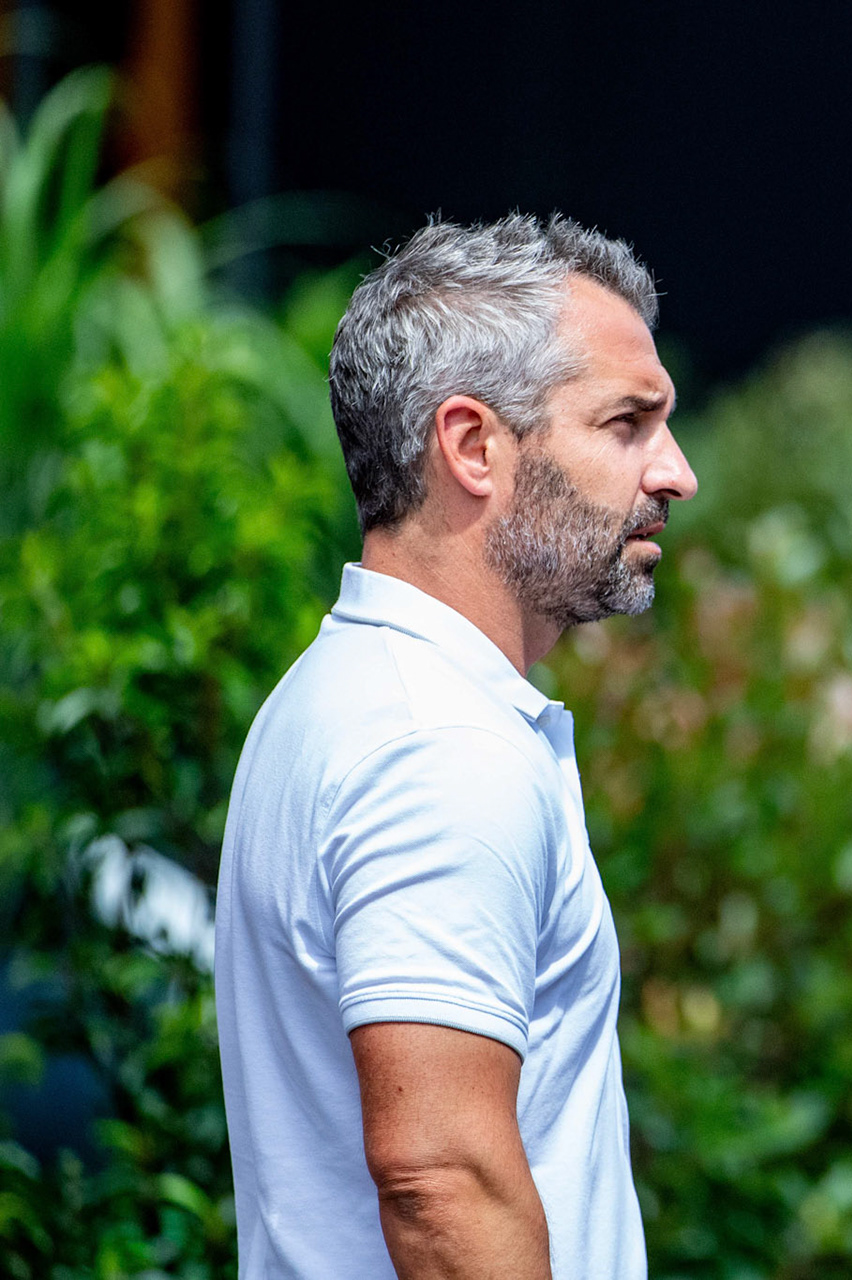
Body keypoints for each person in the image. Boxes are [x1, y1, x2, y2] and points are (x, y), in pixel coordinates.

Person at [215, 214, 696, 1279]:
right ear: (473, 445)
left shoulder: (345, 691)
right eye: (627, 422)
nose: (677, 472)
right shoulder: (437, 747)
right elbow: (442, 1184)